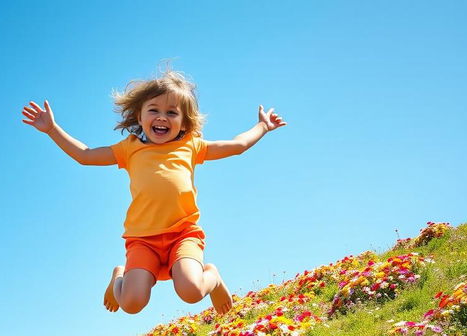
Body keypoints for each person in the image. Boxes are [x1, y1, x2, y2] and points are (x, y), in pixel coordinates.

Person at [22, 69, 285, 315]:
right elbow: (85, 155)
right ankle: (119, 276)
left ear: (184, 123)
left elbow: (237, 145)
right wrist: (52, 130)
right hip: (143, 239)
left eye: (172, 112)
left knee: (191, 292)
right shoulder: (130, 148)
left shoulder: (192, 146)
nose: (162, 117)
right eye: (154, 110)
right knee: (132, 304)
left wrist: (263, 126)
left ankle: (212, 276)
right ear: (140, 117)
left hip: (182, 233)